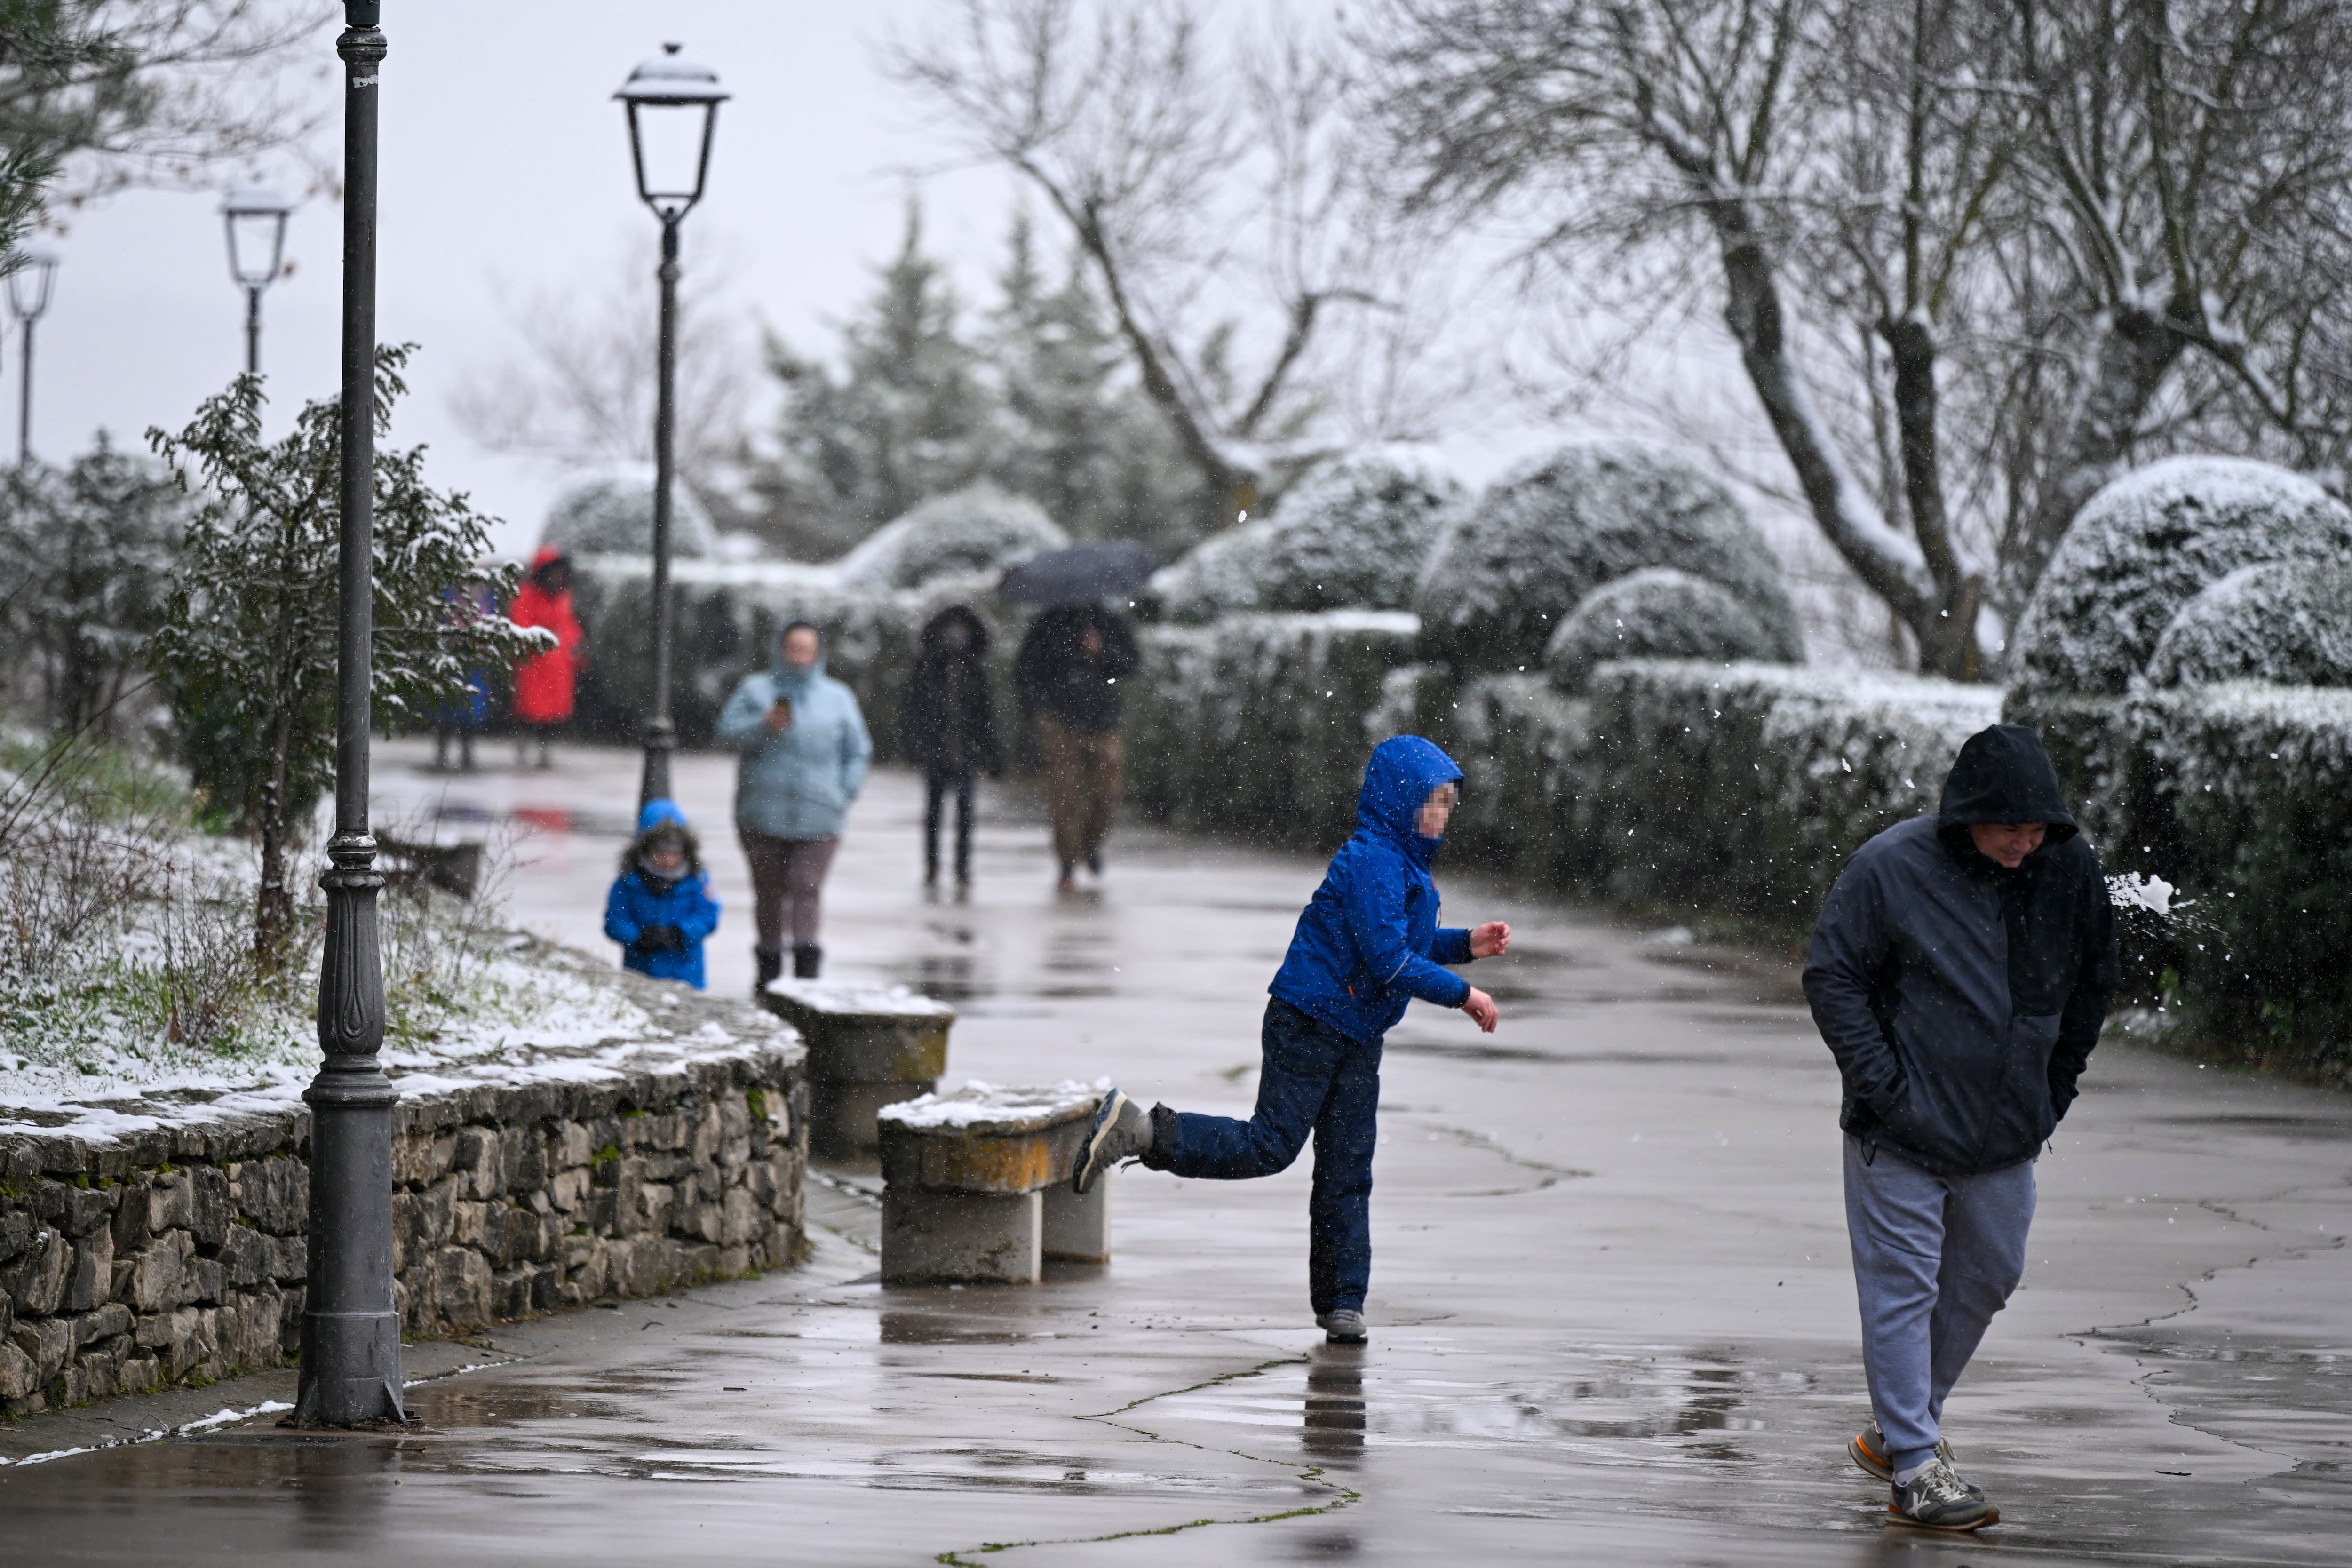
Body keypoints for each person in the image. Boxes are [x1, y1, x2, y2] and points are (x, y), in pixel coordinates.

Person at [1072, 735, 1511, 1345]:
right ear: (1401, 800)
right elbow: (1387, 959)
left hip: (1357, 1032)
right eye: (1433, 802)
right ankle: (1143, 1131)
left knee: (1347, 1168)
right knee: (1271, 1145)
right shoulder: (1374, 860)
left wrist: (1464, 944)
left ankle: (1343, 1302)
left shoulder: (1402, 862)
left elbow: (1403, 943)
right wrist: (1464, 994)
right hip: (1309, 1020)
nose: (1442, 815)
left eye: (1449, 804)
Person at [1803, 724, 2118, 1534]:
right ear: (1968, 812)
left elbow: (2093, 982)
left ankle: (1899, 1428)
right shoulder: (1893, 866)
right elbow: (1832, 973)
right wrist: (1886, 1088)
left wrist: (2053, 1092)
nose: (2025, 839)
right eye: (2009, 824)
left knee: (1989, 1274)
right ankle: (1915, 1466)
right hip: (1898, 1132)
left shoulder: (2066, 868)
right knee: (1903, 1288)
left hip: (2009, 1130)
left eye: (2037, 825)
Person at [716, 620, 872, 989]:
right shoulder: (756, 690)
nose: (799, 656)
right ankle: (768, 970)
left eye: (807, 648)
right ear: (780, 649)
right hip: (761, 812)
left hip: (821, 814)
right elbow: (724, 734)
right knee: (768, 891)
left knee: (806, 886)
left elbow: (858, 750)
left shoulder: (838, 697)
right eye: (793, 647)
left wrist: (844, 791)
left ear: (819, 653)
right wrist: (762, 726)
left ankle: (806, 974)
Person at [1012, 600, 1139, 891]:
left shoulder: (1112, 622)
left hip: (1103, 721)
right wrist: (1038, 711)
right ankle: (1067, 864)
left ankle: (1090, 844)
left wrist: (1102, 653)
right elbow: (1026, 671)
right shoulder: (1047, 623)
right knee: (1064, 797)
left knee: (1108, 794)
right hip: (1059, 722)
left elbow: (1131, 664)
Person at [901, 604, 1002, 891]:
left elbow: (986, 715)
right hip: (937, 752)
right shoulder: (927, 667)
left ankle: (962, 865)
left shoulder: (975, 670)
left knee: (966, 813)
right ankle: (932, 865)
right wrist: (915, 745)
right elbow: (913, 710)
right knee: (934, 813)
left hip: (966, 754)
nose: (956, 635)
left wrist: (991, 753)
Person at [602, 798, 721, 990]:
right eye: (660, 853)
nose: (668, 860)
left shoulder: (697, 879)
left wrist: (680, 933)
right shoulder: (629, 881)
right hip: (639, 973)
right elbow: (615, 920)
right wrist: (637, 938)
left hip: (686, 975)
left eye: (675, 853)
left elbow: (709, 916)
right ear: (645, 850)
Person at [508, 547, 584, 770]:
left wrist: (577, 649)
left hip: (558, 666)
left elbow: (568, 625)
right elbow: (521, 626)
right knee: (528, 710)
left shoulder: (563, 597)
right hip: (535, 664)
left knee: (552, 714)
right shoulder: (526, 595)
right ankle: (524, 748)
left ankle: (544, 751)